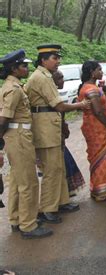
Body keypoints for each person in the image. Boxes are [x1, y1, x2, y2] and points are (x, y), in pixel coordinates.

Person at [25, 44, 89, 224]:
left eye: (58, 57)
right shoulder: (42, 77)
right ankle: (47, 208)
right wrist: (80, 105)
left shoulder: (44, 76)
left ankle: (61, 201)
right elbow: (59, 105)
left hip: (49, 127)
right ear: (43, 60)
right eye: (54, 58)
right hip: (44, 128)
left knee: (58, 167)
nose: (58, 61)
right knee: (51, 170)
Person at [0, 49, 53, 238]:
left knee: (16, 180)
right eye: (23, 66)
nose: (27, 68)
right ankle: (28, 225)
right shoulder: (13, 90)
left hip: (17, 134)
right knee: (29, 182)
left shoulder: (13, 86)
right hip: (19, 135)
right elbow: (3, 118)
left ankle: (17, 219)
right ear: (14, 69)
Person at [78, 61, 106, 201]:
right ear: (91, 72)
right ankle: (103, 191)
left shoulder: (87, 87)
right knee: (104, 158)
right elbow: (98, 111)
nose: (101, 72)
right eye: (99, 69)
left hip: (91, 126)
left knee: (98, 156)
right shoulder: (91, 89)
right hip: (97, 126)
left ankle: (99, 189)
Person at [52, 70, 85, 197]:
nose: (62, 81)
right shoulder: (52, 94)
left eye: (62, 78)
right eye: (59, 78)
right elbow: (61, 110)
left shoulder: (55, 93)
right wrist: (80, 104)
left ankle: (66, 192)